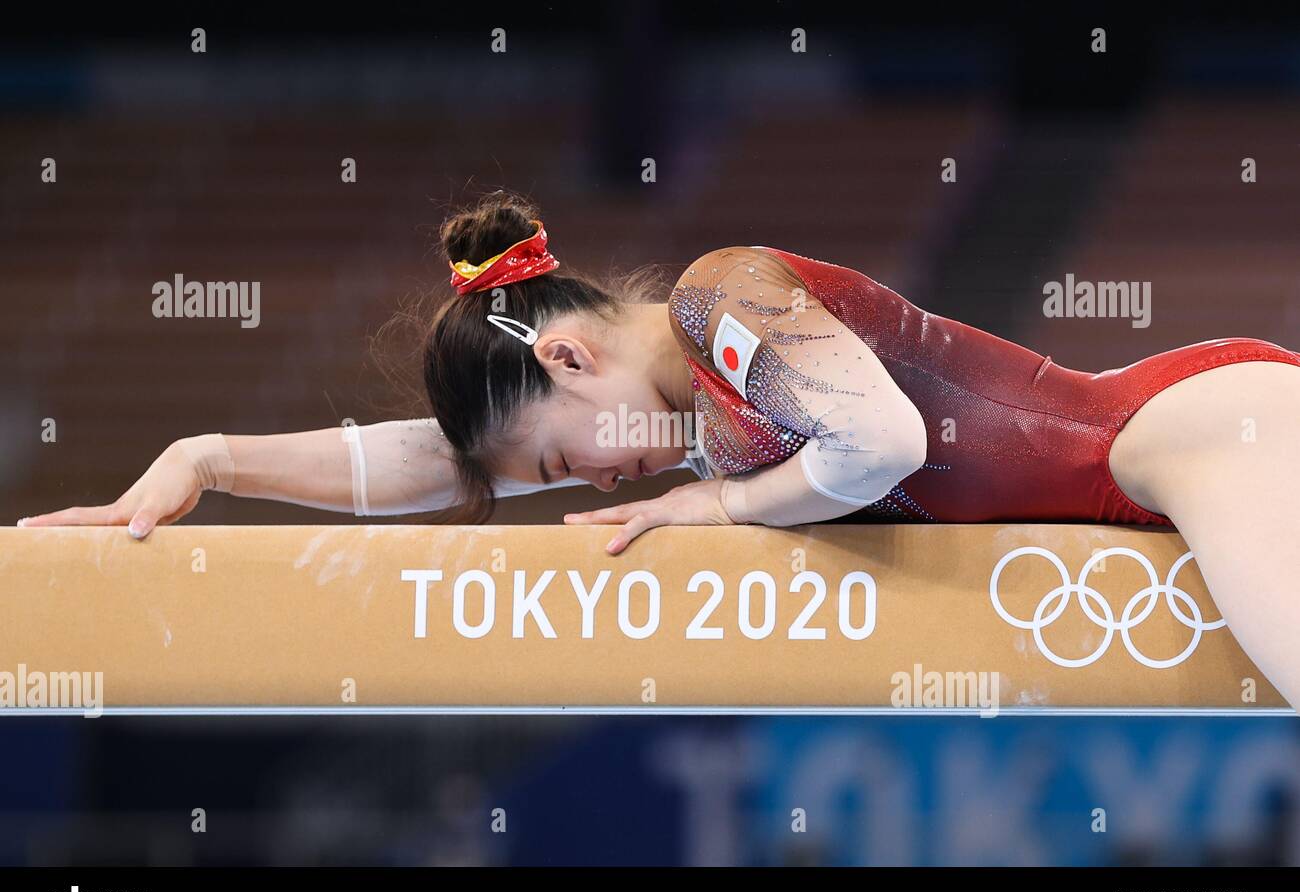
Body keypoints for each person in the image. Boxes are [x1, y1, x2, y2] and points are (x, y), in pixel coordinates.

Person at [19, 191, 1300, 705]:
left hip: (1192, 438)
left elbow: (883, 434)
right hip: (1169, 474)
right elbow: (430, 461)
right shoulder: (692, 410)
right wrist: (214, 455)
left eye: (559, 456)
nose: (587, 483)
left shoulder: (717, 298)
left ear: (568, 358)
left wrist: (730, 515)